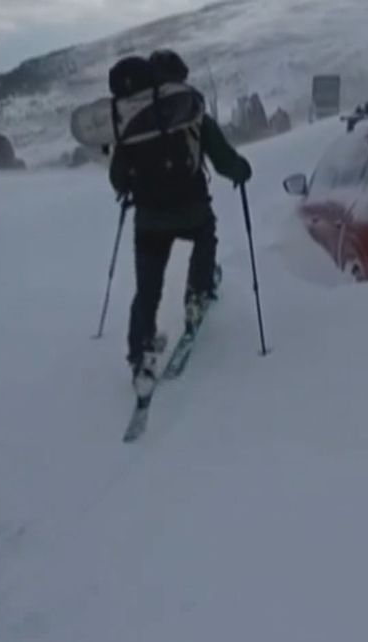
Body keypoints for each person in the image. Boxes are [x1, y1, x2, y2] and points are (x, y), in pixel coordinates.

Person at [108, 49, 252, 390]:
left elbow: (117, 178)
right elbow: (222, 158)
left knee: (148, 287)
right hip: (191, 207)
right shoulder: (189, 107)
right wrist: (241, 171)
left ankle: (140, 354)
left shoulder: (132, 118)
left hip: (149, 219)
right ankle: (196, 296)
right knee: (206, 237)